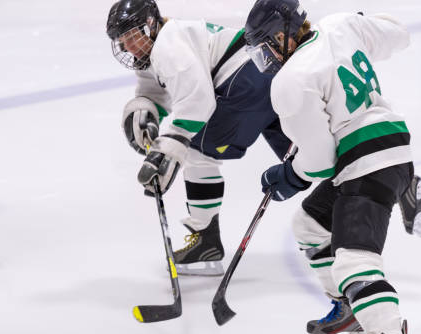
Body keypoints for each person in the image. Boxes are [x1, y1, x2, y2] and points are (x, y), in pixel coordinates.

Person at [244, 0, 421, 334]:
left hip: (365, 161)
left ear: (282, 35)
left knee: (354, 261)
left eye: (265, 46)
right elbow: (399, 32)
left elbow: (319, 162)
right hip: (392, 145)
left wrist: (288, 176)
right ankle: (350, 310)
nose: (265, 57)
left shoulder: (291, 80)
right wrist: (362, 24)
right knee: (309, 225)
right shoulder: (340, 26)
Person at [105, 0, 293, 275]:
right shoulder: (157, 47)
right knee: (304, 157)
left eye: (133, 36)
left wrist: (168, 149)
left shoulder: (167, 46)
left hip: (245, 83)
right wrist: (145, 112)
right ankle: (333, 222)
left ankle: (206, 241)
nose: (129, 45)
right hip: (266, 75)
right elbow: (154, 91)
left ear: (150, 25)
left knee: (195, 151)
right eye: (123, 40)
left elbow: (197, 101)